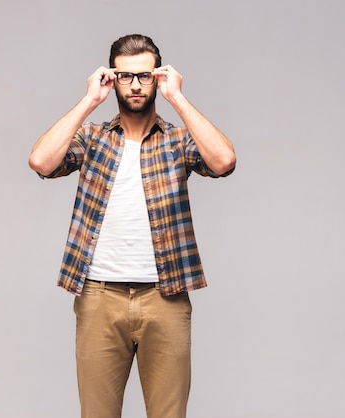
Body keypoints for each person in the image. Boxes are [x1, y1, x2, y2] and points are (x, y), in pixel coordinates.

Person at [28, 34, 236, 418]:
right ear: (112, 79)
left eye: (144, 75)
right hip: (98, 297)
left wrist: (178, 98)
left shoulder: (176, 141)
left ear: (158, 78)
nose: (136, 85)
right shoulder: (93, 140)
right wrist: (90, 100)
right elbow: (41, 161)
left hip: (165, 297)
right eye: (126, 77)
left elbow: (223, 161)